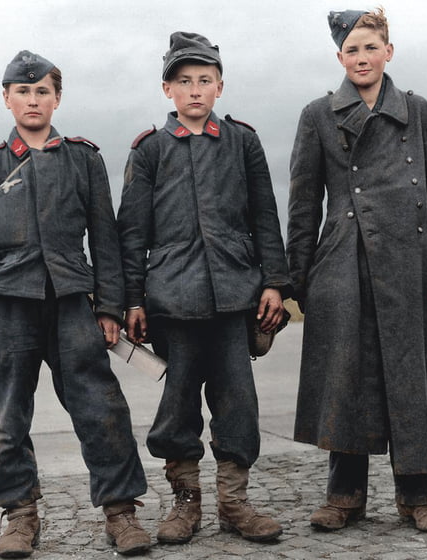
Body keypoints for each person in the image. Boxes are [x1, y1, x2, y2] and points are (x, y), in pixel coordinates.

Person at [0, 50, 151, 557]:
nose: (33, 100)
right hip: (7, 308)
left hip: (73, 304)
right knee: (9, 416)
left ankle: (120, 512)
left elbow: (106, 239)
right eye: (23, 91)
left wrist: (109, 308)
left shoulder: (83, 159)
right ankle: (18, 515)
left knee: (102, 408)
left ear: (57, 98)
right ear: (6, 98)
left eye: (43, 92)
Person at [286, 9, 427, 533]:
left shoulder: (421, 112)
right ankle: (344, 495)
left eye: (371, 47)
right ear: (339, 57)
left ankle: (418, 494)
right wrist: (299, 278)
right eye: (352, 50)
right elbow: (301, 204)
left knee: (412, 378)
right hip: (342, 260)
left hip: (410, 262)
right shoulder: (317, 114)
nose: (362, 58)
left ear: (389, 51)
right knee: (347, 377)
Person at [117, 32, 292, 545]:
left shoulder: (244, 142)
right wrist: (132, 298)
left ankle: (235, 503)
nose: (196, 90)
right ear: (167, 89)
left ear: (220, 86)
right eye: (185, 81)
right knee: (178, 403)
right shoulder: (149, 151)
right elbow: (132, 231)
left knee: (238, 400)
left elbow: (265, 216)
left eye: (205, 81)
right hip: (172, 298)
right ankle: (184, 503)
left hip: (237, 294)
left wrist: (275, 283)